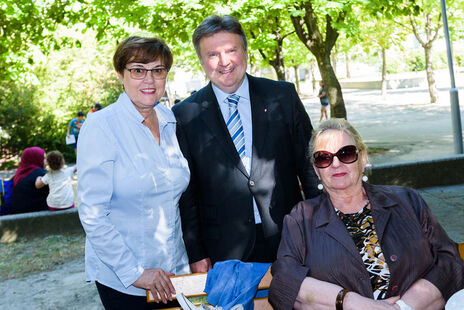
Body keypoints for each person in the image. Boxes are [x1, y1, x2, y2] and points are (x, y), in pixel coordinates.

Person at [172, 15, 319, 273]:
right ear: (201, 61)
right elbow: (187, 192)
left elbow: (309, 166)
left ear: (246, 52)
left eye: (231, 50)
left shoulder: (282, 96)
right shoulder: (184, 115)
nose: (224, 62)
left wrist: (321, 227)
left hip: (290, 236)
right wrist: (196, 253)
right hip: (224, 249)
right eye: (213, 54)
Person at [269, 118, 464, 310]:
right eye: (323, 157)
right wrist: (350, 302)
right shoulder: (301, 218)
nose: (335, 164)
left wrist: (403, 307)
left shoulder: (407, 200)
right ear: (316, 169)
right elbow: (285, 280)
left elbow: (448, 259)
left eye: (346, 153)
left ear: (362, 158)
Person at [77, 36, 190, 308]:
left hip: (174, 270)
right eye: (138, 70)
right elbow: (93, 214)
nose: (149, 80)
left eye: (158, 70)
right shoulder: (101, 126)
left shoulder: (170, 120)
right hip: (125, 279)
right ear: (120, 74)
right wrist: (136, 272)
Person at [9, 147, 49, 214]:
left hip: (16, 215)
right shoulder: (41, 173)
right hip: (35, 217)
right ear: (37, 159)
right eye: (44, 158)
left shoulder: (19, 173)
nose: (46, 161)